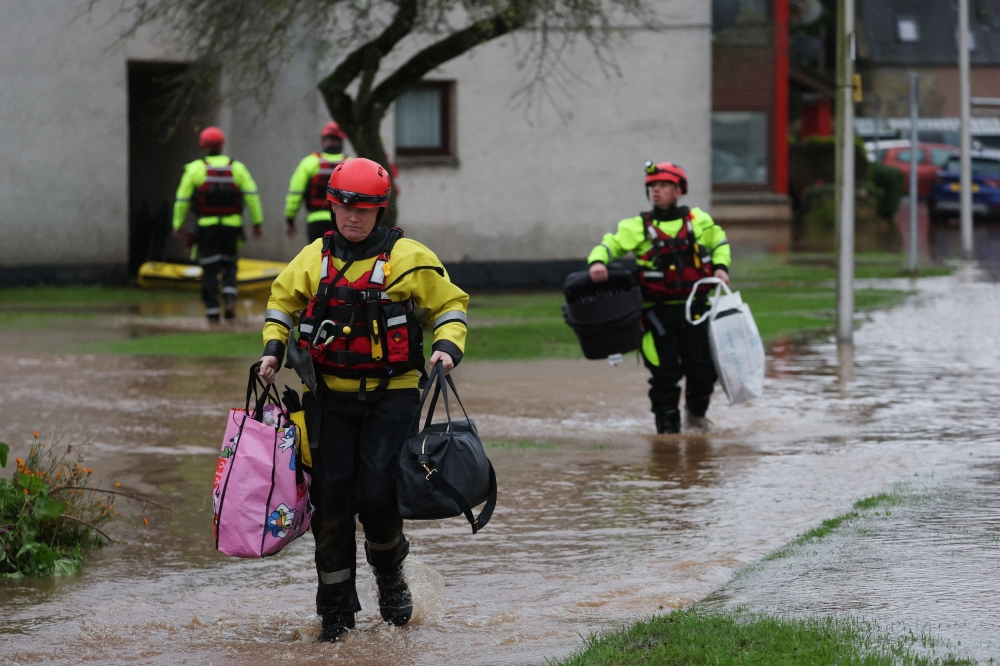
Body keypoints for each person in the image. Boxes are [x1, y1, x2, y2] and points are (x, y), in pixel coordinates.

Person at [257, 158, 469, 642]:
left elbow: (451, 303)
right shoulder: (313, 258)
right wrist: (273, 348)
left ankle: (391, 576)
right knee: (330, 502)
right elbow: (281, 303)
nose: (352, 218)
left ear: (380, 209)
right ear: (332, 206)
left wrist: (446, 346)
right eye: (343, 208)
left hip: (391, 396)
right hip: (328, 399)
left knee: (376, 492)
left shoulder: (408, 258)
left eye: (363, 210)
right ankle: (334, 617)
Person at [587, 161, 731, 434]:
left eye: (663, 186)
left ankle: (696, 418)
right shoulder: (636, 227)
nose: (656, 191)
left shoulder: (699, 221)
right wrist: (598, 261)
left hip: (697, 311)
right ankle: (667, 436)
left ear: (678, 191)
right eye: (652, 186)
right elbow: (610, 244)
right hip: (657, 315)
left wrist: (721, 268)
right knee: (664, 376)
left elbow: (720, 243)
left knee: (703, 373)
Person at [173, 126, 264, 322]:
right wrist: (257, 223)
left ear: (203, 146)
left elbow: (182, 200)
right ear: (222, 145)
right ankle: (230, 299)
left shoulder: (195, 169)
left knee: (209, 269)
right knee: (229, 266)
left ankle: (212, 312)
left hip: (207, 227)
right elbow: (252, 197)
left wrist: (177, 224)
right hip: (232, 226)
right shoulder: (237, 168)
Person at [284, 122, 350, 242]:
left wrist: (290, 219)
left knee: (318, 258)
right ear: (341, 141)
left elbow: (295, 194)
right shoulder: (351, 164)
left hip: (315, 220)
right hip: (343, 222)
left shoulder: (309, 162)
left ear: (324, 140)